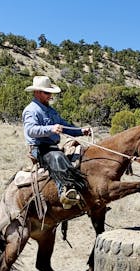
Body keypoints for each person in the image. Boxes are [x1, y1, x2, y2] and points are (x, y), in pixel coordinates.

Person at [22, 75, 91, 209]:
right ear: (37, 92)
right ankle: (64, 193)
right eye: (47, 93)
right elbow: (31, 130)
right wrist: (51, 128)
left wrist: (81, 131)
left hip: (52, 147)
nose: (50, 96)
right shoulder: (31, 110)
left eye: (50, 93)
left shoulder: (51, 111)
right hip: (39, 148)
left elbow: (64, 126)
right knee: (57, 157)